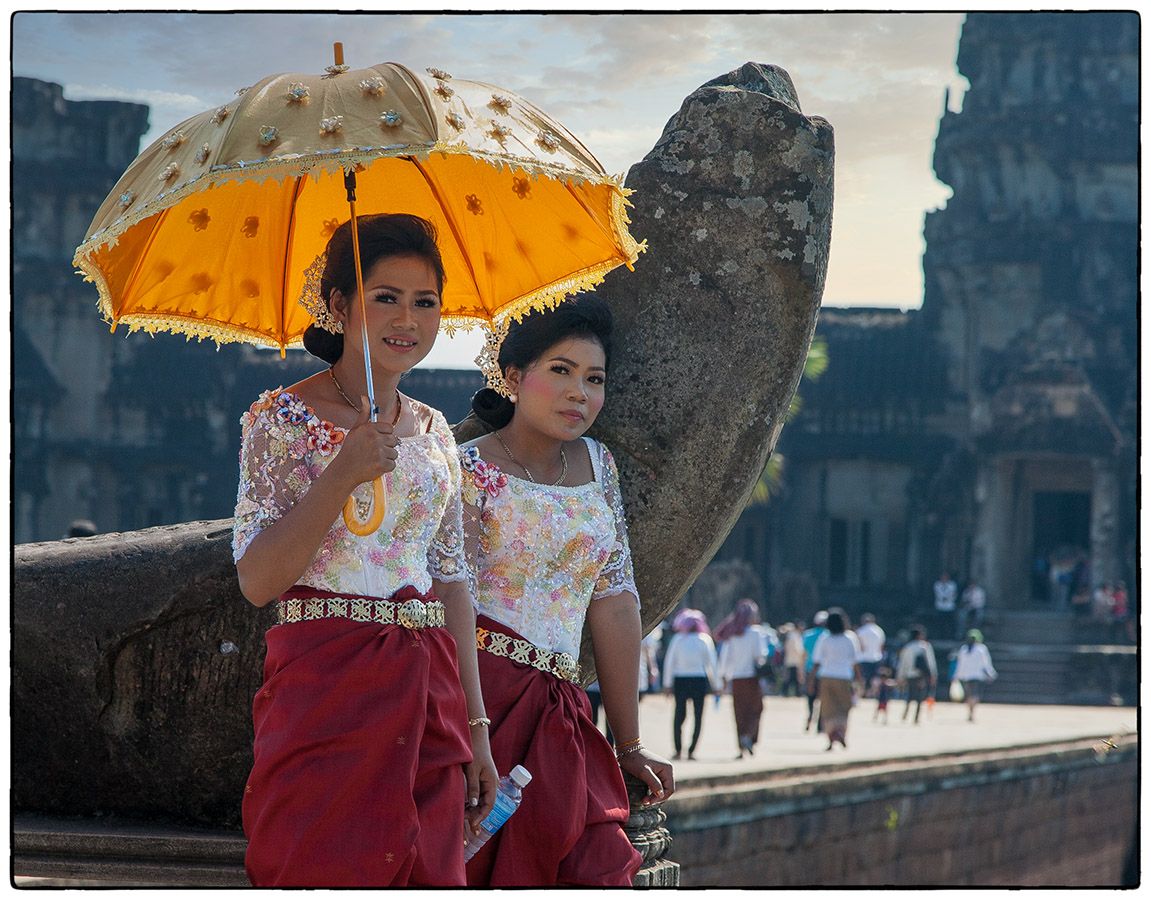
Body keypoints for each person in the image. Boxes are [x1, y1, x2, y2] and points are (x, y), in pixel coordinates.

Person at [232, 215, 498, 887]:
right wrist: (342, 473)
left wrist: (477, 728)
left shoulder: (434, 430)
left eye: (425, 300)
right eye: (385, 296)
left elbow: (451, 579)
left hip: (427, 688)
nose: (406, 318)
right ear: (340, 304)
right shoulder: (280, 419)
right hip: (325, 688)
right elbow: (258, 580)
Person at [458, 294, 673, 886]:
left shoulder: (598, 466)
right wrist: (469, 728)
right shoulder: (464, 470)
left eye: (594, 379)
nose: (580, 393)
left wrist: (627, 742)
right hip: (481, 704)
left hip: (562, 709)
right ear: (513, 377)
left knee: (595, 863)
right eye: (561, 371)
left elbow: (614, 598)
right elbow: (445, 606)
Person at [663, 608, 719, 761]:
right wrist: (716, 685)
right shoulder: (704, 639)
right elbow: (712, 664)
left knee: (679, 715)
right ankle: (691, 751)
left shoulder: (678, 639)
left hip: (680, 680)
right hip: (698, 681)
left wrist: (667, 684)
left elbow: (669, 663)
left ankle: (678, 750)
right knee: (698, 716)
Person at [716, 599, 768, 758]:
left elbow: (725, 658)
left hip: (736, 680)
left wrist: (723, 678)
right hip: (752, 678)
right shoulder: (756, 633)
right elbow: (761, 655)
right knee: (756, 709)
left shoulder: (731, 634)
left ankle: (741, 745)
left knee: (739, 712)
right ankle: (749, 737)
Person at [809, 608, 862, 750]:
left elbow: (816, 661)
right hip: (844, 677)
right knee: (844, 708)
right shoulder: (850, 638)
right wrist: (859, 679)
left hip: (826, 676)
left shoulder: (825, 638)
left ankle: (831, 737)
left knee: (828, 709)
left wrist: (811, 681)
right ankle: (841, 732)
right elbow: (855, 661)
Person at [952, 629, 997, 722]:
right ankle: (972, 711)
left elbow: (960, 664)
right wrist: (991, 673)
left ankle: (970, 711)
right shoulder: (981, 649)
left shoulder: (964, 649)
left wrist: (956, 676)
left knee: (968, 695)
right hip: (978, 676)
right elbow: (986, 663)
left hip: (966, 676)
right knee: (975, 695)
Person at [896, 625, 937, 725]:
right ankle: (916, 717)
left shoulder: (907, 647)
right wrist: (933, 675)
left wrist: (900, 676)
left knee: (910, 695)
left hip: (910, 675)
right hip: (921, 676)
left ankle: (905, 714)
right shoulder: (925, 646)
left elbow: (902, 663)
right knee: (920, 697)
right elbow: (931, 662)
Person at [802, 611, 828, 731]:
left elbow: (804, 654)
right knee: (823, 698)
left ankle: (810, 716)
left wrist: (800, 671)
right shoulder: (828, 635)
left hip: (809, 669)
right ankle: (820, 725)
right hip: (825, 671)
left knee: (810, 697)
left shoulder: (807, 635)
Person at [855, 613, 886, 696]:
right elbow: (881, 646)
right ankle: (873, 693)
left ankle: (861, 693)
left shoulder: (860, 631)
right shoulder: (879, 631)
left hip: (863, 658)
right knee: (875, 678)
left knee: (862, 677)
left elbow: (860, 646)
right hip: (876, 657)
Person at [779, 621, 806, 697]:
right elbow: (798, 649)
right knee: (794, 678)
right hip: (794, 660)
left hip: (789, 660)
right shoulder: (795, 636)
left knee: (788, 678)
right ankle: (796, 693)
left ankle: (786, 693)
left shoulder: (790, 636)